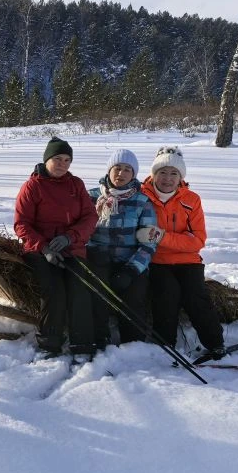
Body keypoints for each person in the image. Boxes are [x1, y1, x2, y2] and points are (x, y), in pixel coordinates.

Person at [139, 146, 226, 358]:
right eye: (162, 172)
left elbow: (197, 240)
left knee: (196, 297)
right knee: (166, 295)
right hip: (157, 260)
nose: (167, 179)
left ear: (181, 177)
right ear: (154, 174)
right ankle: (164, 345)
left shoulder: (192, 199)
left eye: (173, 173)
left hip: (189, 261)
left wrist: (162, 237)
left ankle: (215, 343)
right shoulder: (141, 196)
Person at [14, 137, 98, 356]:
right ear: (47, 160)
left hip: (72, 248)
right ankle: (49, 343)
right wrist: (44, 248)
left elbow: (90, 216)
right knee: (54, 289)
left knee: (80, 287)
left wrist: (71, 237)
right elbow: (21, 224)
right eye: (57, 159)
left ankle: (83, 344)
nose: (62, 164)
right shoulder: (32, 186)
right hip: (40, 251)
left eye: (67, 160)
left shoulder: (76, 184)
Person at [86, 149, 159, 348]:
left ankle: (132, 345)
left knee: (134, 297)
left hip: (129, 261)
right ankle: (98, 339)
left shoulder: (143, 202)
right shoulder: (91, 197)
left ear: (133, 174)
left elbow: (149, 242)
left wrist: (132, 269)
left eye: (128, 169)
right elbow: (80, 231)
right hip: (97, 258)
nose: (122, 173)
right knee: (95, 292)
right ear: (109, 170)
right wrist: (90, 252)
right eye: (117, 168)